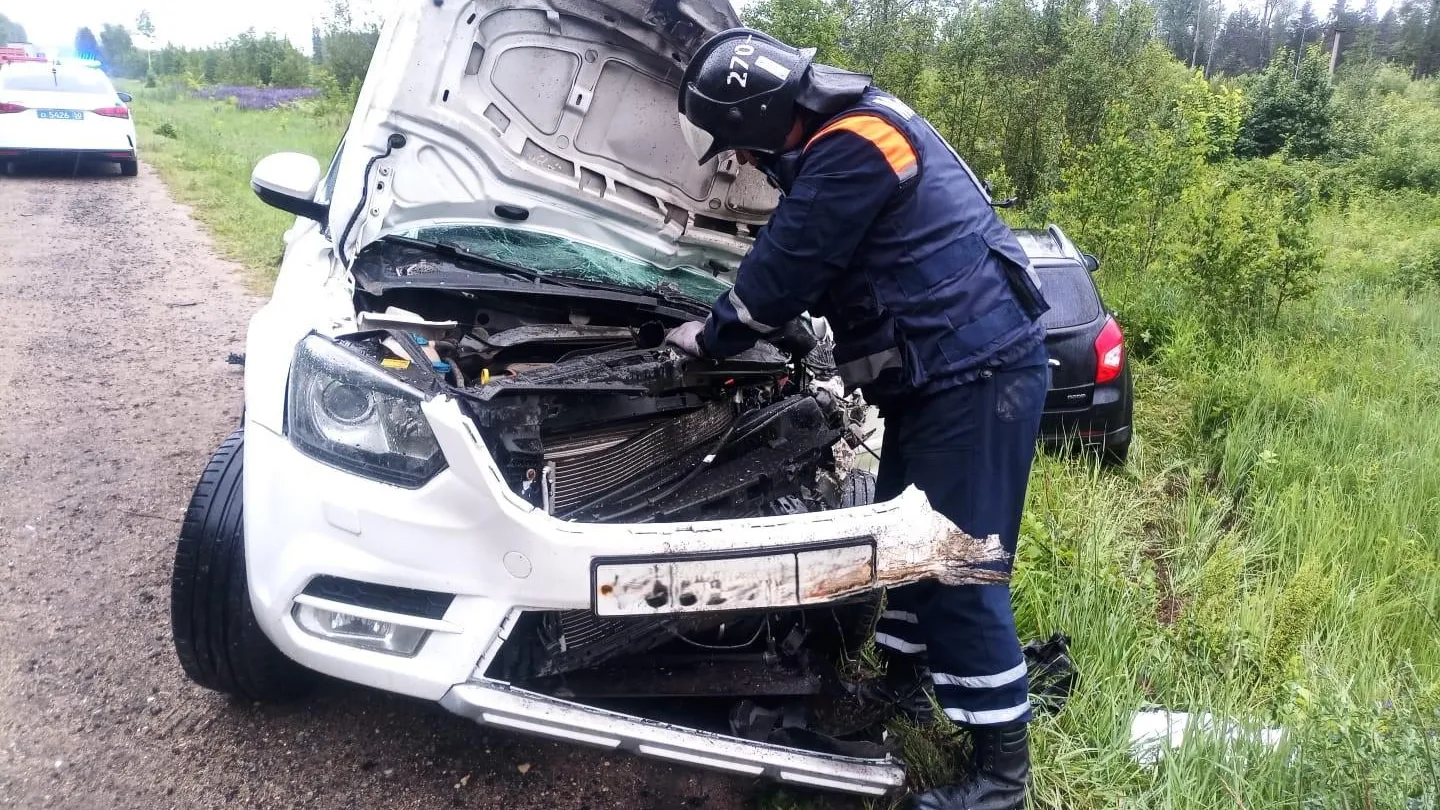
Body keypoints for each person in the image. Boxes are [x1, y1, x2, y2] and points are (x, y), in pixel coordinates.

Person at [666, 28, 1052, 810]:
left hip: (976, 375)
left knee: (957, 563)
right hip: (946, 376)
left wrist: (710, 335)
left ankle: (1001, 782)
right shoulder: (854, 124)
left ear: (768, 115)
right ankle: (908, 687)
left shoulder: (854, 146)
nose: (740, 161)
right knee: (903, 541)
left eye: (739, 144)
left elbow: (784, 267)